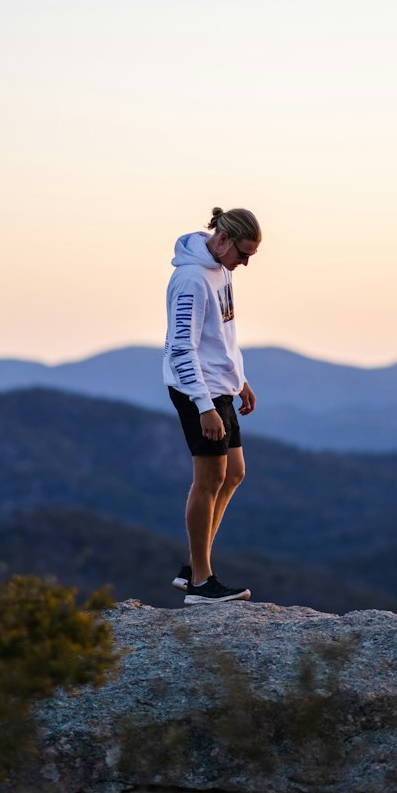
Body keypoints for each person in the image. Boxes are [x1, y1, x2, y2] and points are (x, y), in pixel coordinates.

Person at [163, 206, 261, 604]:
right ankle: (201, 583)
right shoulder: (190, 280)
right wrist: (203, 404)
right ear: (222, 240)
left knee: (233, 472)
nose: (246, 263)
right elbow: (180, 348)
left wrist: (239, 380)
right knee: (208, 480)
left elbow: (223, 334)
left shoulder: (221, 270)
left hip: (219, 386)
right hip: (195, 390)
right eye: (243, 253)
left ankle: (193, 566)